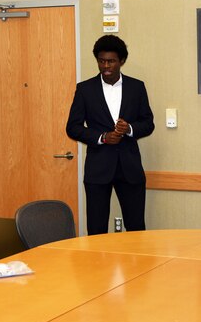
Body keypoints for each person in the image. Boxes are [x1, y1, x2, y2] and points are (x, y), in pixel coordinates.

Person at [66, 35, 154, 234]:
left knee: (136, 228)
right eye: (101, 61)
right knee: (96, 230)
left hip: (130, 169)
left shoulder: (136, 87)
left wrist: (129, 129)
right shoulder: (85, 89)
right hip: (98, 170)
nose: (106, 66)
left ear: (121, 61)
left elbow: (148, 123)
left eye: (111, 61)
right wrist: (102, 137)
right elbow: (73, 127)